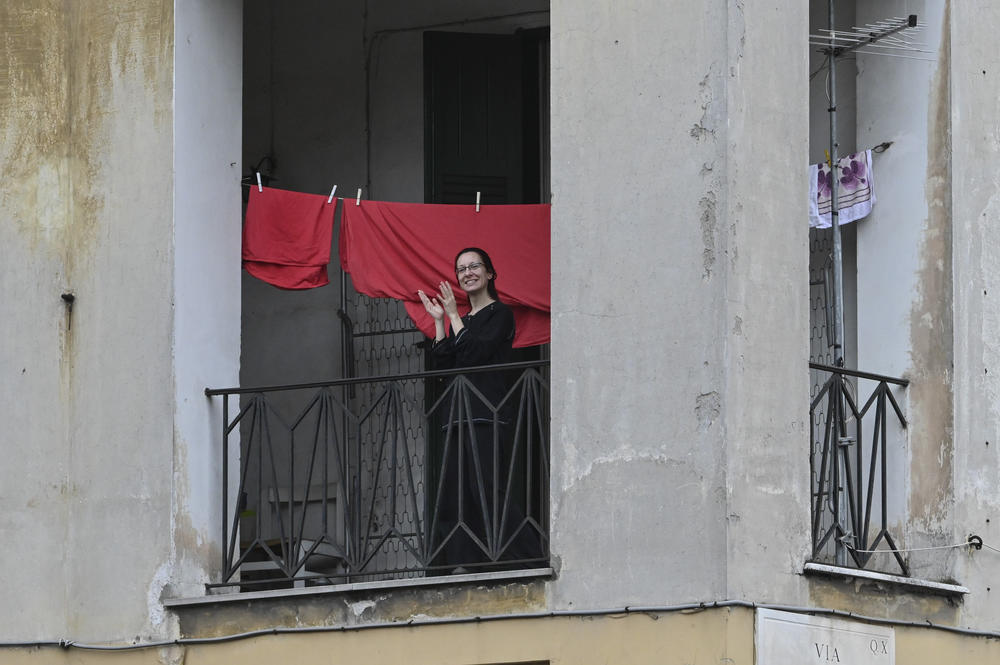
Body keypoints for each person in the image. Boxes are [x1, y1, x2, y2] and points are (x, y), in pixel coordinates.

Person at [417, 248, 532, 572]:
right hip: (457, 414)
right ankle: (461, 562)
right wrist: (440, 322)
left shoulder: (500, 314)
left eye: (474, 266)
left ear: (490, 273)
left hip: (486, 413)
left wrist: (454, 317)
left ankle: (519, 557)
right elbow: (444, 366)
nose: (467, 272)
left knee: (489, 490)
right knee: (456, 494)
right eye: (461, 269)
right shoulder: (461, 320)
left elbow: (476, 354)